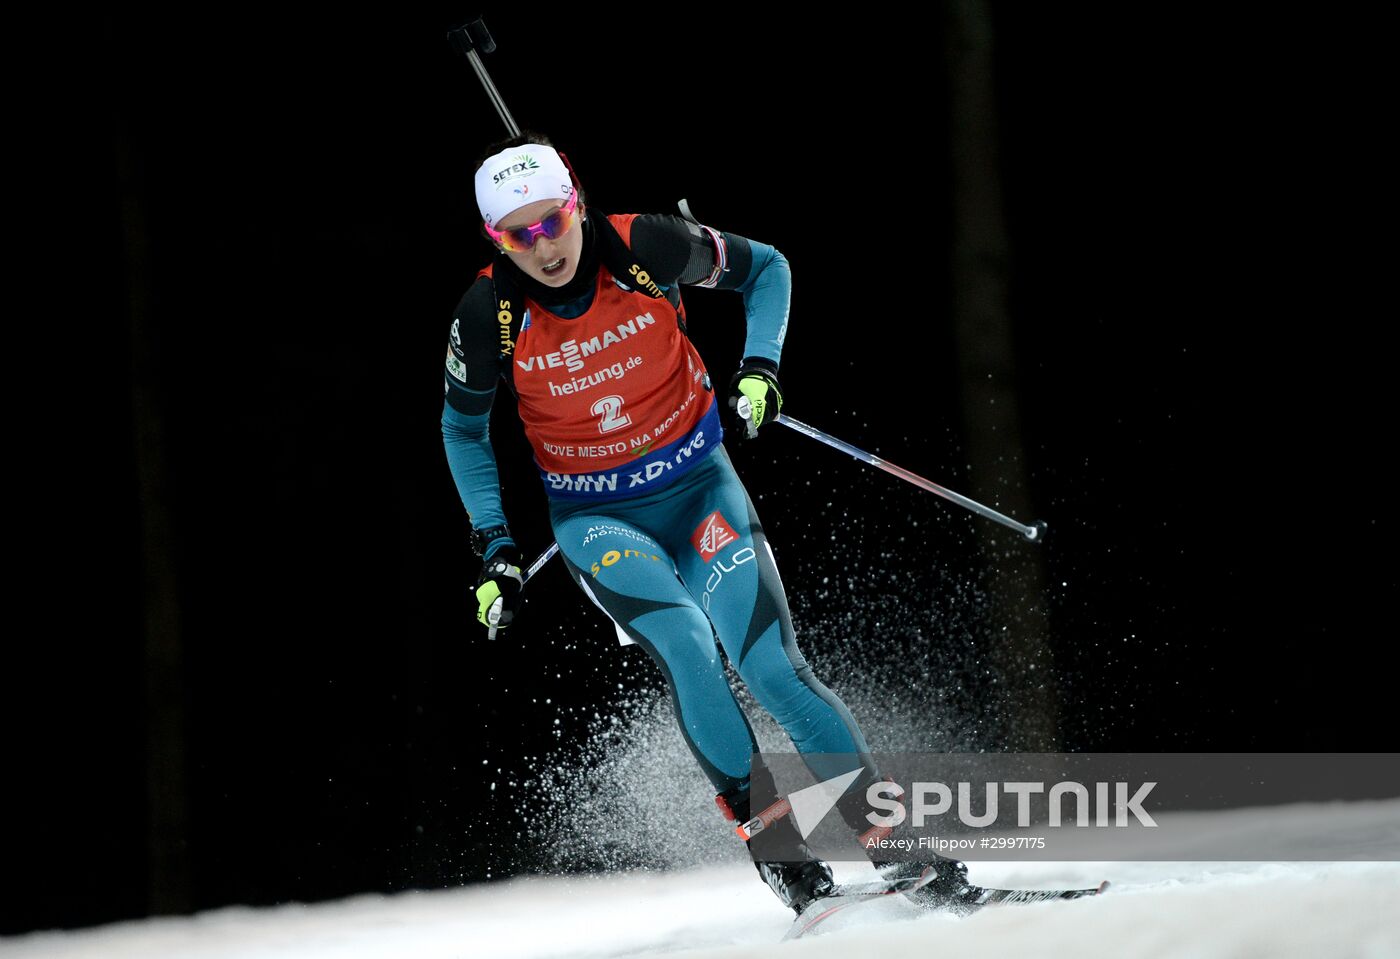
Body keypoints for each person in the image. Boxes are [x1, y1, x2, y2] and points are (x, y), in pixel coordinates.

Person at [442, 132, 961, 914]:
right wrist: (495, 547)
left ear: (576, 202)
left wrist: (761, 368)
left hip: (700, 491)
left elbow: (769, 268)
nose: (544, 246)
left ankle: (896, 842)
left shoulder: (645, 245)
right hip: (598, 519)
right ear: (495, 238)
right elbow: (462, 429)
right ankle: (786, 859)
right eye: (520, 235)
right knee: (687, 643)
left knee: (771, 667)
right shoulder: (489, 314)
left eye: (553, 220)